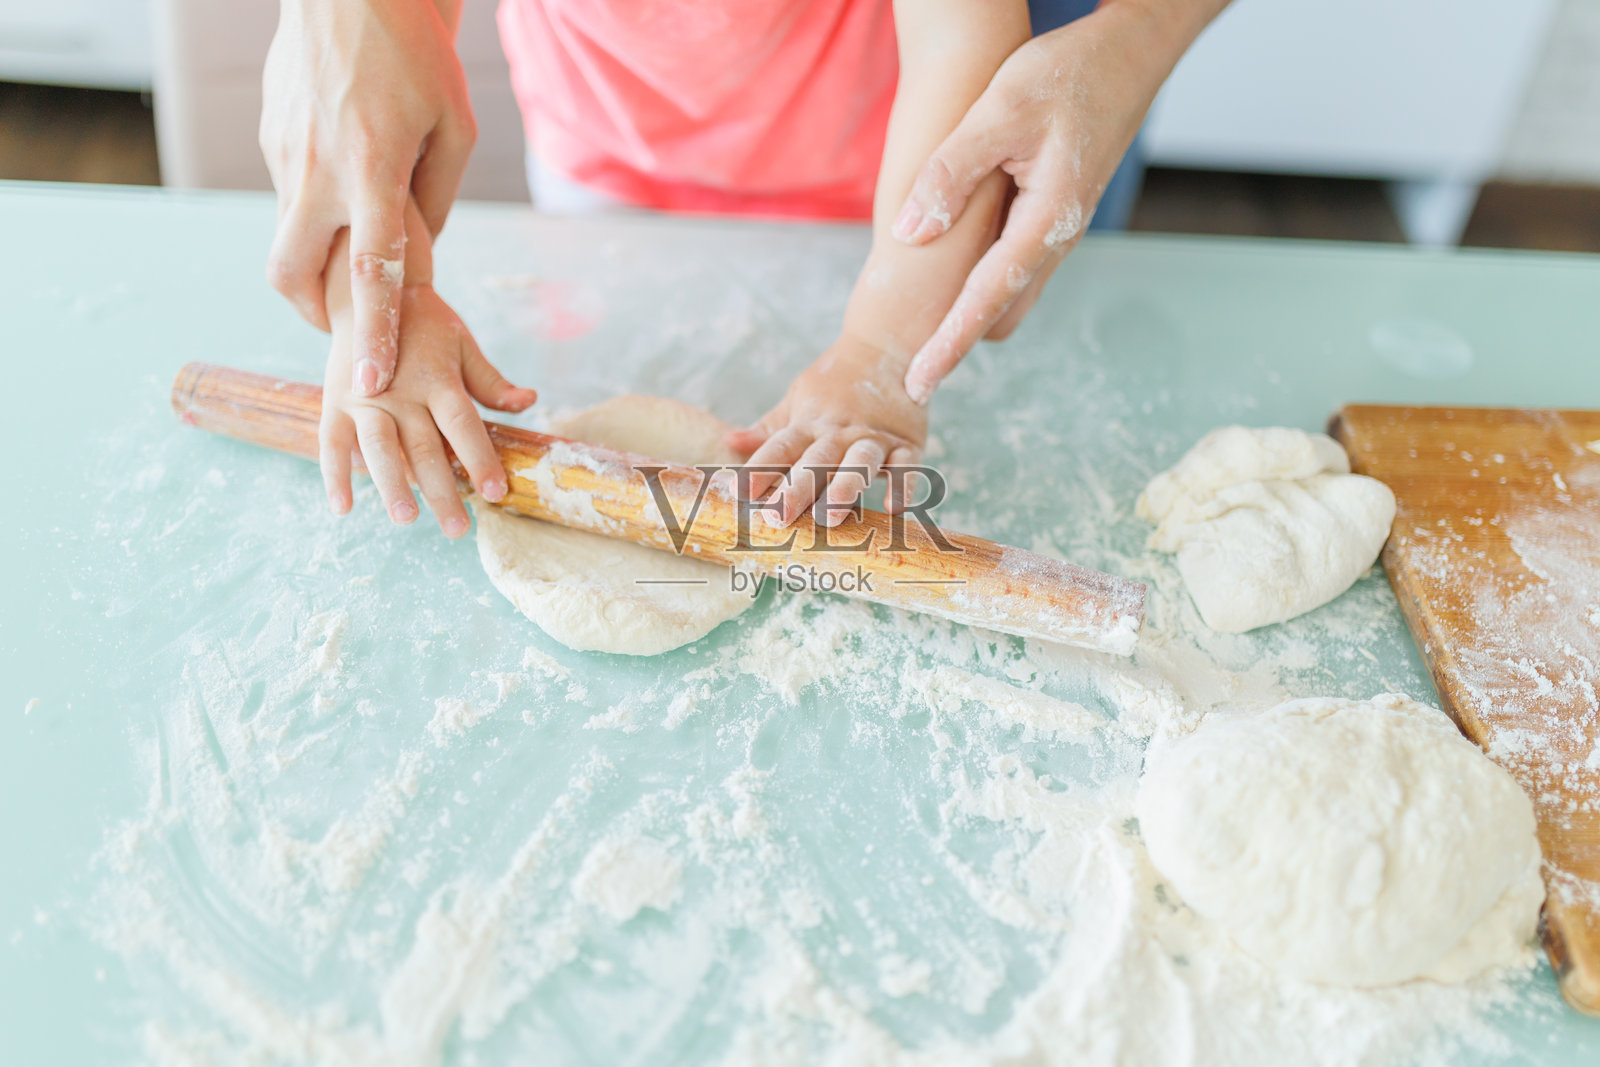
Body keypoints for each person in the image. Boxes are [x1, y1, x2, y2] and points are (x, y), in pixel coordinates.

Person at [261, 0, 1229, 536]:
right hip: (606, 161)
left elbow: (957, 45)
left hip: (882, 190)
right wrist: (378, 292)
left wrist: (882, 354)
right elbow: (358, 88)